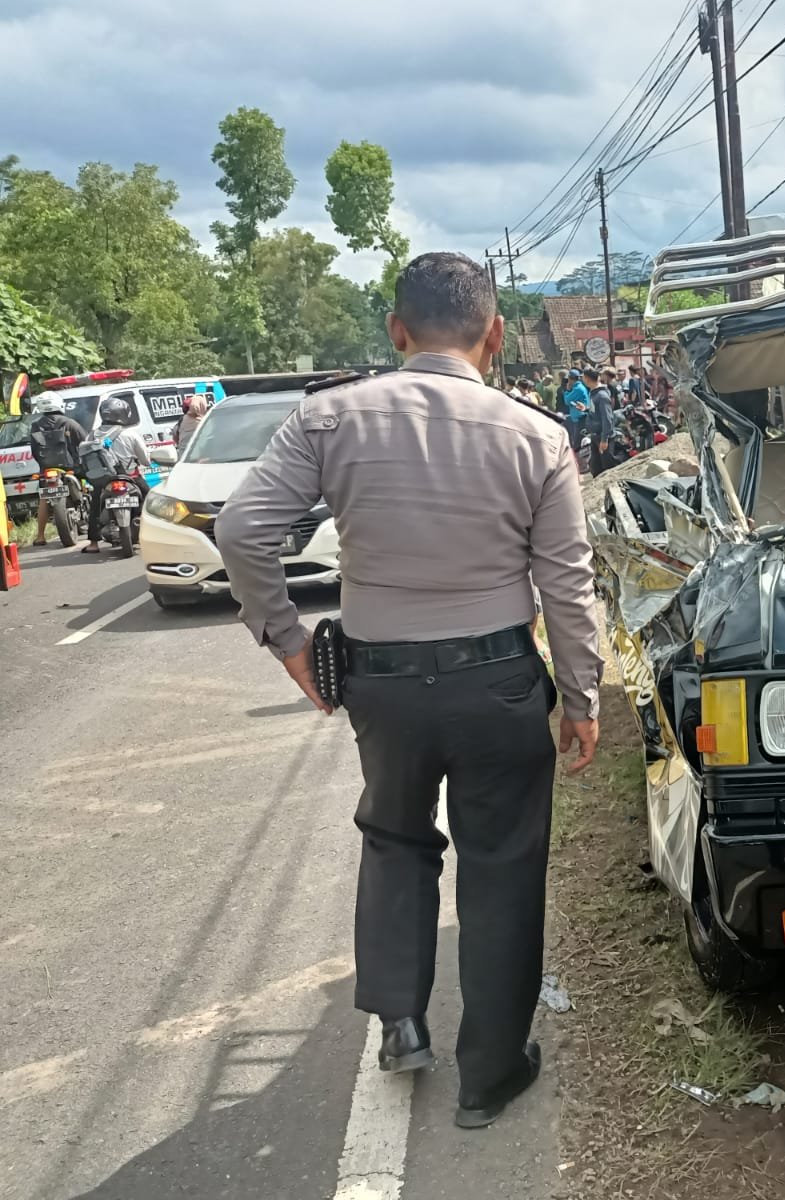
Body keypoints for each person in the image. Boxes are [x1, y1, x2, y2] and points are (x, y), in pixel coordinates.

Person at [215, 251, 605, 1130]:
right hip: (499, 683)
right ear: (496, 336)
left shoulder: (329, 419)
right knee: (501, 866)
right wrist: (581, 698)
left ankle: (400, 1024)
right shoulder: (536, 435)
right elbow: (567, 585)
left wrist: (287, 638)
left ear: (397, 332)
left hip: (381, 686)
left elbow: (242, 529)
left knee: (394, 837)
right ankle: (490, 1075)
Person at [80, 397, 150, 555]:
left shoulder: (91, 436)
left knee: (95, 507)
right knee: (150, 501)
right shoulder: (130, 434)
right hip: (131, 477)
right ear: (123, 414)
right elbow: (145, 460)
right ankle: (154, 534)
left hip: (104, 481)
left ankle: (93, 543)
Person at [27, 394, 89, 545]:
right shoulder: (69, 423)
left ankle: (40, 536)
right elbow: (86, 442)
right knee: (90, 485)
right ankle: (95, 524)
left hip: (47, 469)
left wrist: (44, 466)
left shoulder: (36, 425)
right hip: (71, 468)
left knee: (43, 499)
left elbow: (34, 450)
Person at [586, 367, 617, 473]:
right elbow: (596, 412)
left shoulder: (602, 396)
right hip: (595, 436)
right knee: (595, 468)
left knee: (607, 468)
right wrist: (586, 409)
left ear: (587, 379)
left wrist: (604, 439)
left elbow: (607, 418)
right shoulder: (594, 393)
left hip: (602, 437)